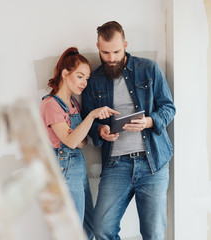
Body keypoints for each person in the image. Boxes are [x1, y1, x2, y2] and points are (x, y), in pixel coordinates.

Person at [81, 21, 176, 240]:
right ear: (98, 47)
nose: (111, 58)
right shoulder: (94, 81)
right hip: (116, 165)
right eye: (105, 52)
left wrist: (149, 122)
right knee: (102, 229)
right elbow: (89, 121)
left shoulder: (149, 68)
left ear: (125, 44)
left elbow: (168, 108)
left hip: (153, 164)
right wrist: (101, 131)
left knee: (153, 234)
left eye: (116, 51)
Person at [39, 47, 119, 239]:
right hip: (64, 168)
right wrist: (91, 115)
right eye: (80, 76)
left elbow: (82, 142)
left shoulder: (73, 104)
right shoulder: (50, 104)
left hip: (78, 166)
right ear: (65, 73)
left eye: (87, 78)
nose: (84, 83)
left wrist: (86, 132)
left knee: (88, 228)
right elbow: (71, 141)